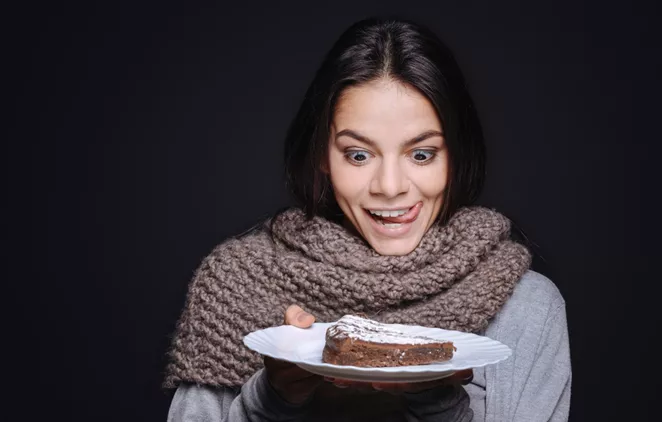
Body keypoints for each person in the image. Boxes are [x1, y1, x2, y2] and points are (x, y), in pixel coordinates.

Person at [163, 17, 571, 422]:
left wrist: (437, 401)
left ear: (457, 155)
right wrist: (273, 398)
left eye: (422, 154)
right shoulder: (237, 285)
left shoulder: (527, 309)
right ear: (323, 154)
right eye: (358, 154)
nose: (390, 186)